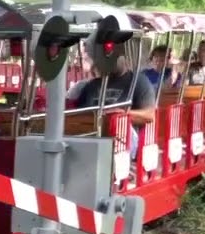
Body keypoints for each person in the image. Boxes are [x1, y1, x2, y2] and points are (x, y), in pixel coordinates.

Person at [67, 34, 157, 163]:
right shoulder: (92, 85)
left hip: (122, 141)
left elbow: (149, 115)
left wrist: (121, 115)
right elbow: (80, 115)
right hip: (91, 139)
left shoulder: (138, 81)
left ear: (122, 56)